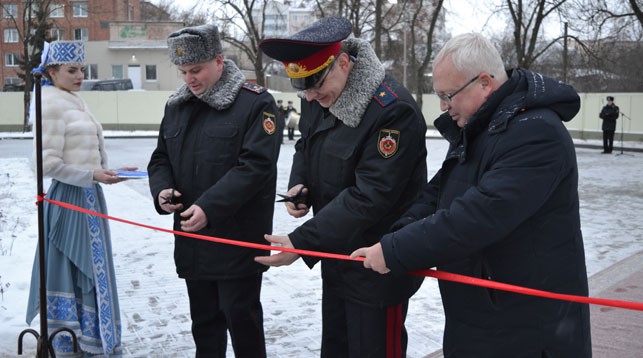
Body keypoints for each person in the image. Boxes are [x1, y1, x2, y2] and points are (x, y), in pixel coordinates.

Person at [352, 33, 592, 357]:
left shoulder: (537, 134)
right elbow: (438, 194)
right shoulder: (483, 128)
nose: (443, 107)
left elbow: (478, 216)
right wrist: (394, 235)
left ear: (484, 83)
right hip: (482, 320)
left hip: (529, 330)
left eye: (448, 95)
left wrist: (395, 250)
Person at [257, 17, 427, 357]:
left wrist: (302, 241)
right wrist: (299, 184)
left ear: (344, 63)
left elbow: (371, 195)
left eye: (318, 87)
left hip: (378, 266)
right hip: (336, 255)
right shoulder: (317, 94)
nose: (313, 97)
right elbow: (307, 143)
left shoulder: (393, 111)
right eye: (305, 90)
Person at [147, 24, 281, 357]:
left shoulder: (255, 104)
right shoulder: (177, 107)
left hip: (235, 241)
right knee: (204, 326)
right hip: (193, 242)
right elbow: (160, 158)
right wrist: (162, 190)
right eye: (183, 72)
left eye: (196, 70)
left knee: (242, 323)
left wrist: (209, 207)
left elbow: (255, 167)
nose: (189, 79)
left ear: (219, 61)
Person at [26, 40, 134, 356]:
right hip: (70, 200)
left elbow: (84, 160)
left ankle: (90, 336)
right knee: (75, 269)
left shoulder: (73, 100)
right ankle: (69, 338)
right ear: (51, 71)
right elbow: (43, 163)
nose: (80, 76)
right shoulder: (51, 103)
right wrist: (91, 176)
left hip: (89, 197)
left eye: (82, 69)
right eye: (71, 70)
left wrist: (106, 172)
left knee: (91, 270)